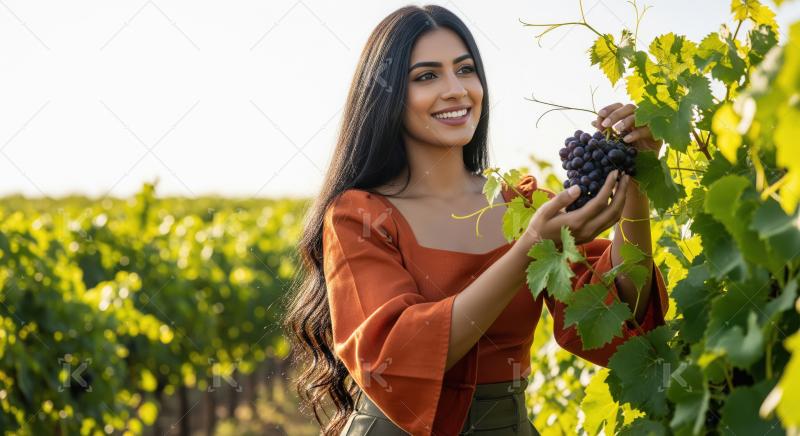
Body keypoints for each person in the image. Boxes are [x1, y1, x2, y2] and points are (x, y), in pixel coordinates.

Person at [283, 5, 668, 435]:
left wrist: (637, 178)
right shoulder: (359, 216)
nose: (456, 90)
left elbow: (621, 316)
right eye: (427, 76)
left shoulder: (526, 209)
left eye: (465, 70)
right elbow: (398, 354)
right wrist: (527, 251)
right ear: (387, 94)